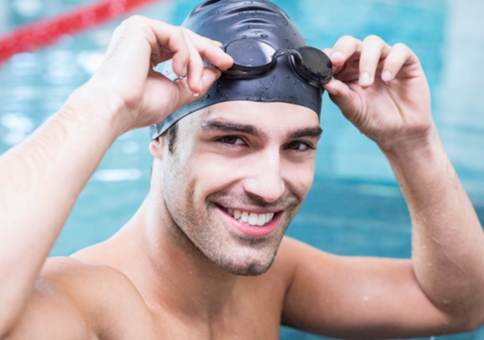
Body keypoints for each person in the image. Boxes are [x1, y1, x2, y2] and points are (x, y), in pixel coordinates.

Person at [1, 0, 484, 339]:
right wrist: (101, 104)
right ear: (160, 139)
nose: (270, 185)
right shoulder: (96, 305)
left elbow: (457, 306)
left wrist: (411, 141)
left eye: (297, 145)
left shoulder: (272, 281)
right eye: (232, 139)